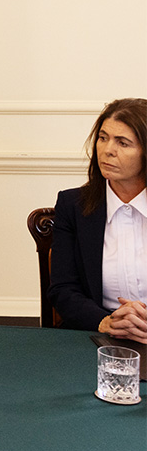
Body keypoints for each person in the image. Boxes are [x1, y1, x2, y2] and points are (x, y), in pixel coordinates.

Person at [49, 98, 147, 344]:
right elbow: (63, 290)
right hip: (96, 336)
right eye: (103, 138)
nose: (107, 150)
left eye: (123, 143)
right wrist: (108, 322)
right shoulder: (73, 205)